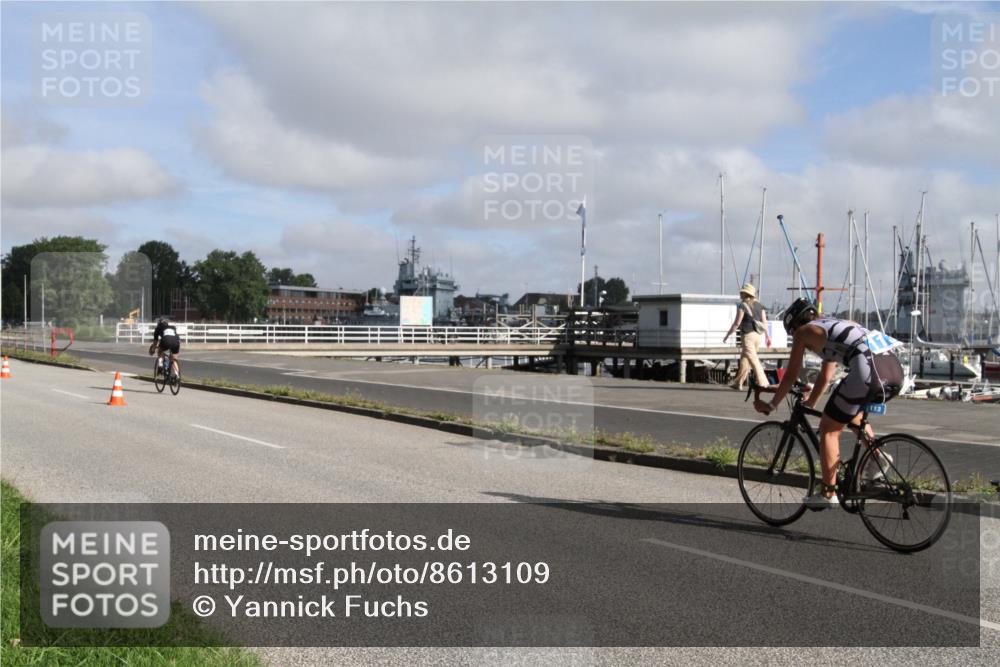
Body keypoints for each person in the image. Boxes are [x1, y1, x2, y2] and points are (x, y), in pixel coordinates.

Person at [753, 298, 904, 509]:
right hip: (894, 370)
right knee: (849, 412)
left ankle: (828, 492)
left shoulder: (804, 332)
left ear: (796, 324)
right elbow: (825, 376)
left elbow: (790, 376)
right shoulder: (838, 326)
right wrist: (812, 401)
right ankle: (878, 455)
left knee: (828, 429)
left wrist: (771, 404)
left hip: (868, 371)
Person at [723, 284, 771, 390]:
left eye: (742, 292)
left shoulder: (743, 305)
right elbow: (764, 322)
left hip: (748, 336)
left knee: (753, 359)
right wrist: (767, 336)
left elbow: (737, 323)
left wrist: (727, 335)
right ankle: (738, 382)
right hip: (758, 336)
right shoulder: (760, 305)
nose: (740, 293)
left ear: (746, 293)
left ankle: (763, 382)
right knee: (745, 359)